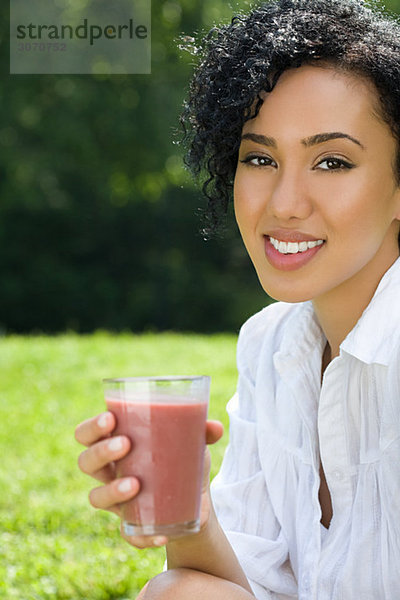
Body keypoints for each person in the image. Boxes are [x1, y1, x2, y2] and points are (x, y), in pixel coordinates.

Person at [74, 0, 400, 597]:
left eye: (332, 161)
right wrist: (187, 506)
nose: (284, 203)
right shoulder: (271, 343)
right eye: (260, 158)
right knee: (176, 592)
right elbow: (241, 586)